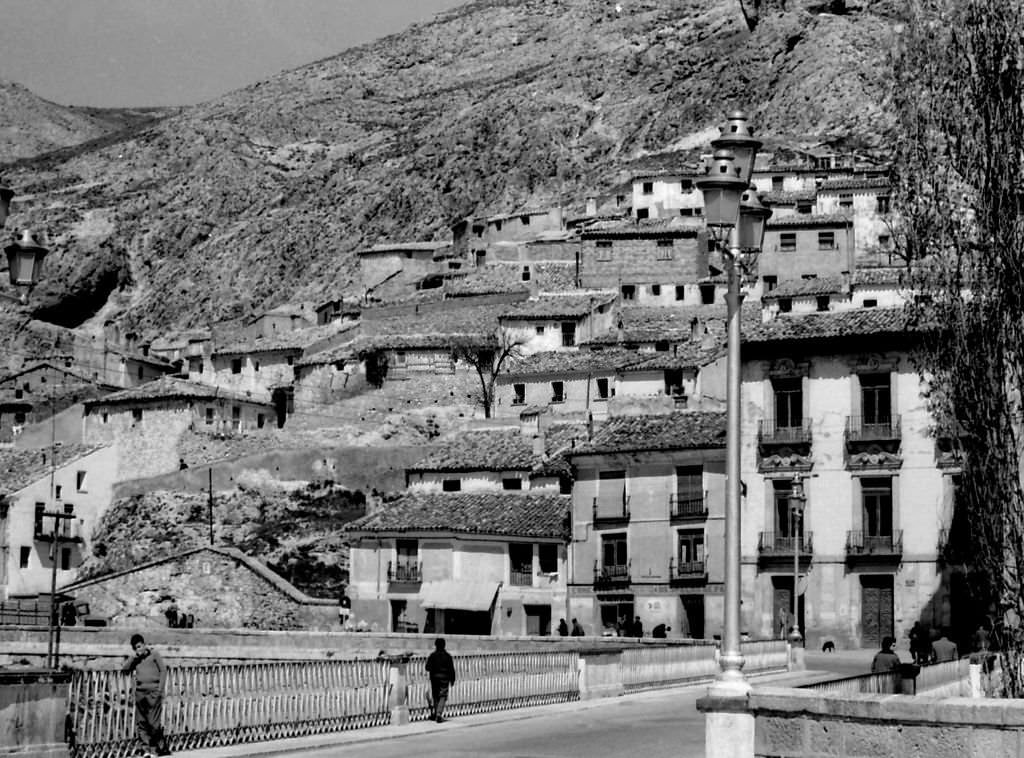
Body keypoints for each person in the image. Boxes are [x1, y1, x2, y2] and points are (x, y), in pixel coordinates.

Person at [122, 633, 170, 756]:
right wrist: (133, 658)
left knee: (153, 723)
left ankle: (157, 747)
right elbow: (125, 669)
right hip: (140, 693)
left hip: (153, 692)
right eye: (136, 648)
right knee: (142, 722)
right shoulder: (136, 659)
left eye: (140, 646)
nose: (139, 649)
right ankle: (147, 749)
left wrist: (160, 690)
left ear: (144, 644)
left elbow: (163, 670)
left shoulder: (154, 655)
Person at [425, 637, 456, 723]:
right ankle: (438, 713)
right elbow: (451, 669)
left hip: (434, 678)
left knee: (435, 696)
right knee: (443, 696)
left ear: (436, 645)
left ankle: (436, 713)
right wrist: (452, 679)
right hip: (445, 678)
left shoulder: (432, 656)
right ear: (444, 645)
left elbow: (427, 667)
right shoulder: (448, 656)